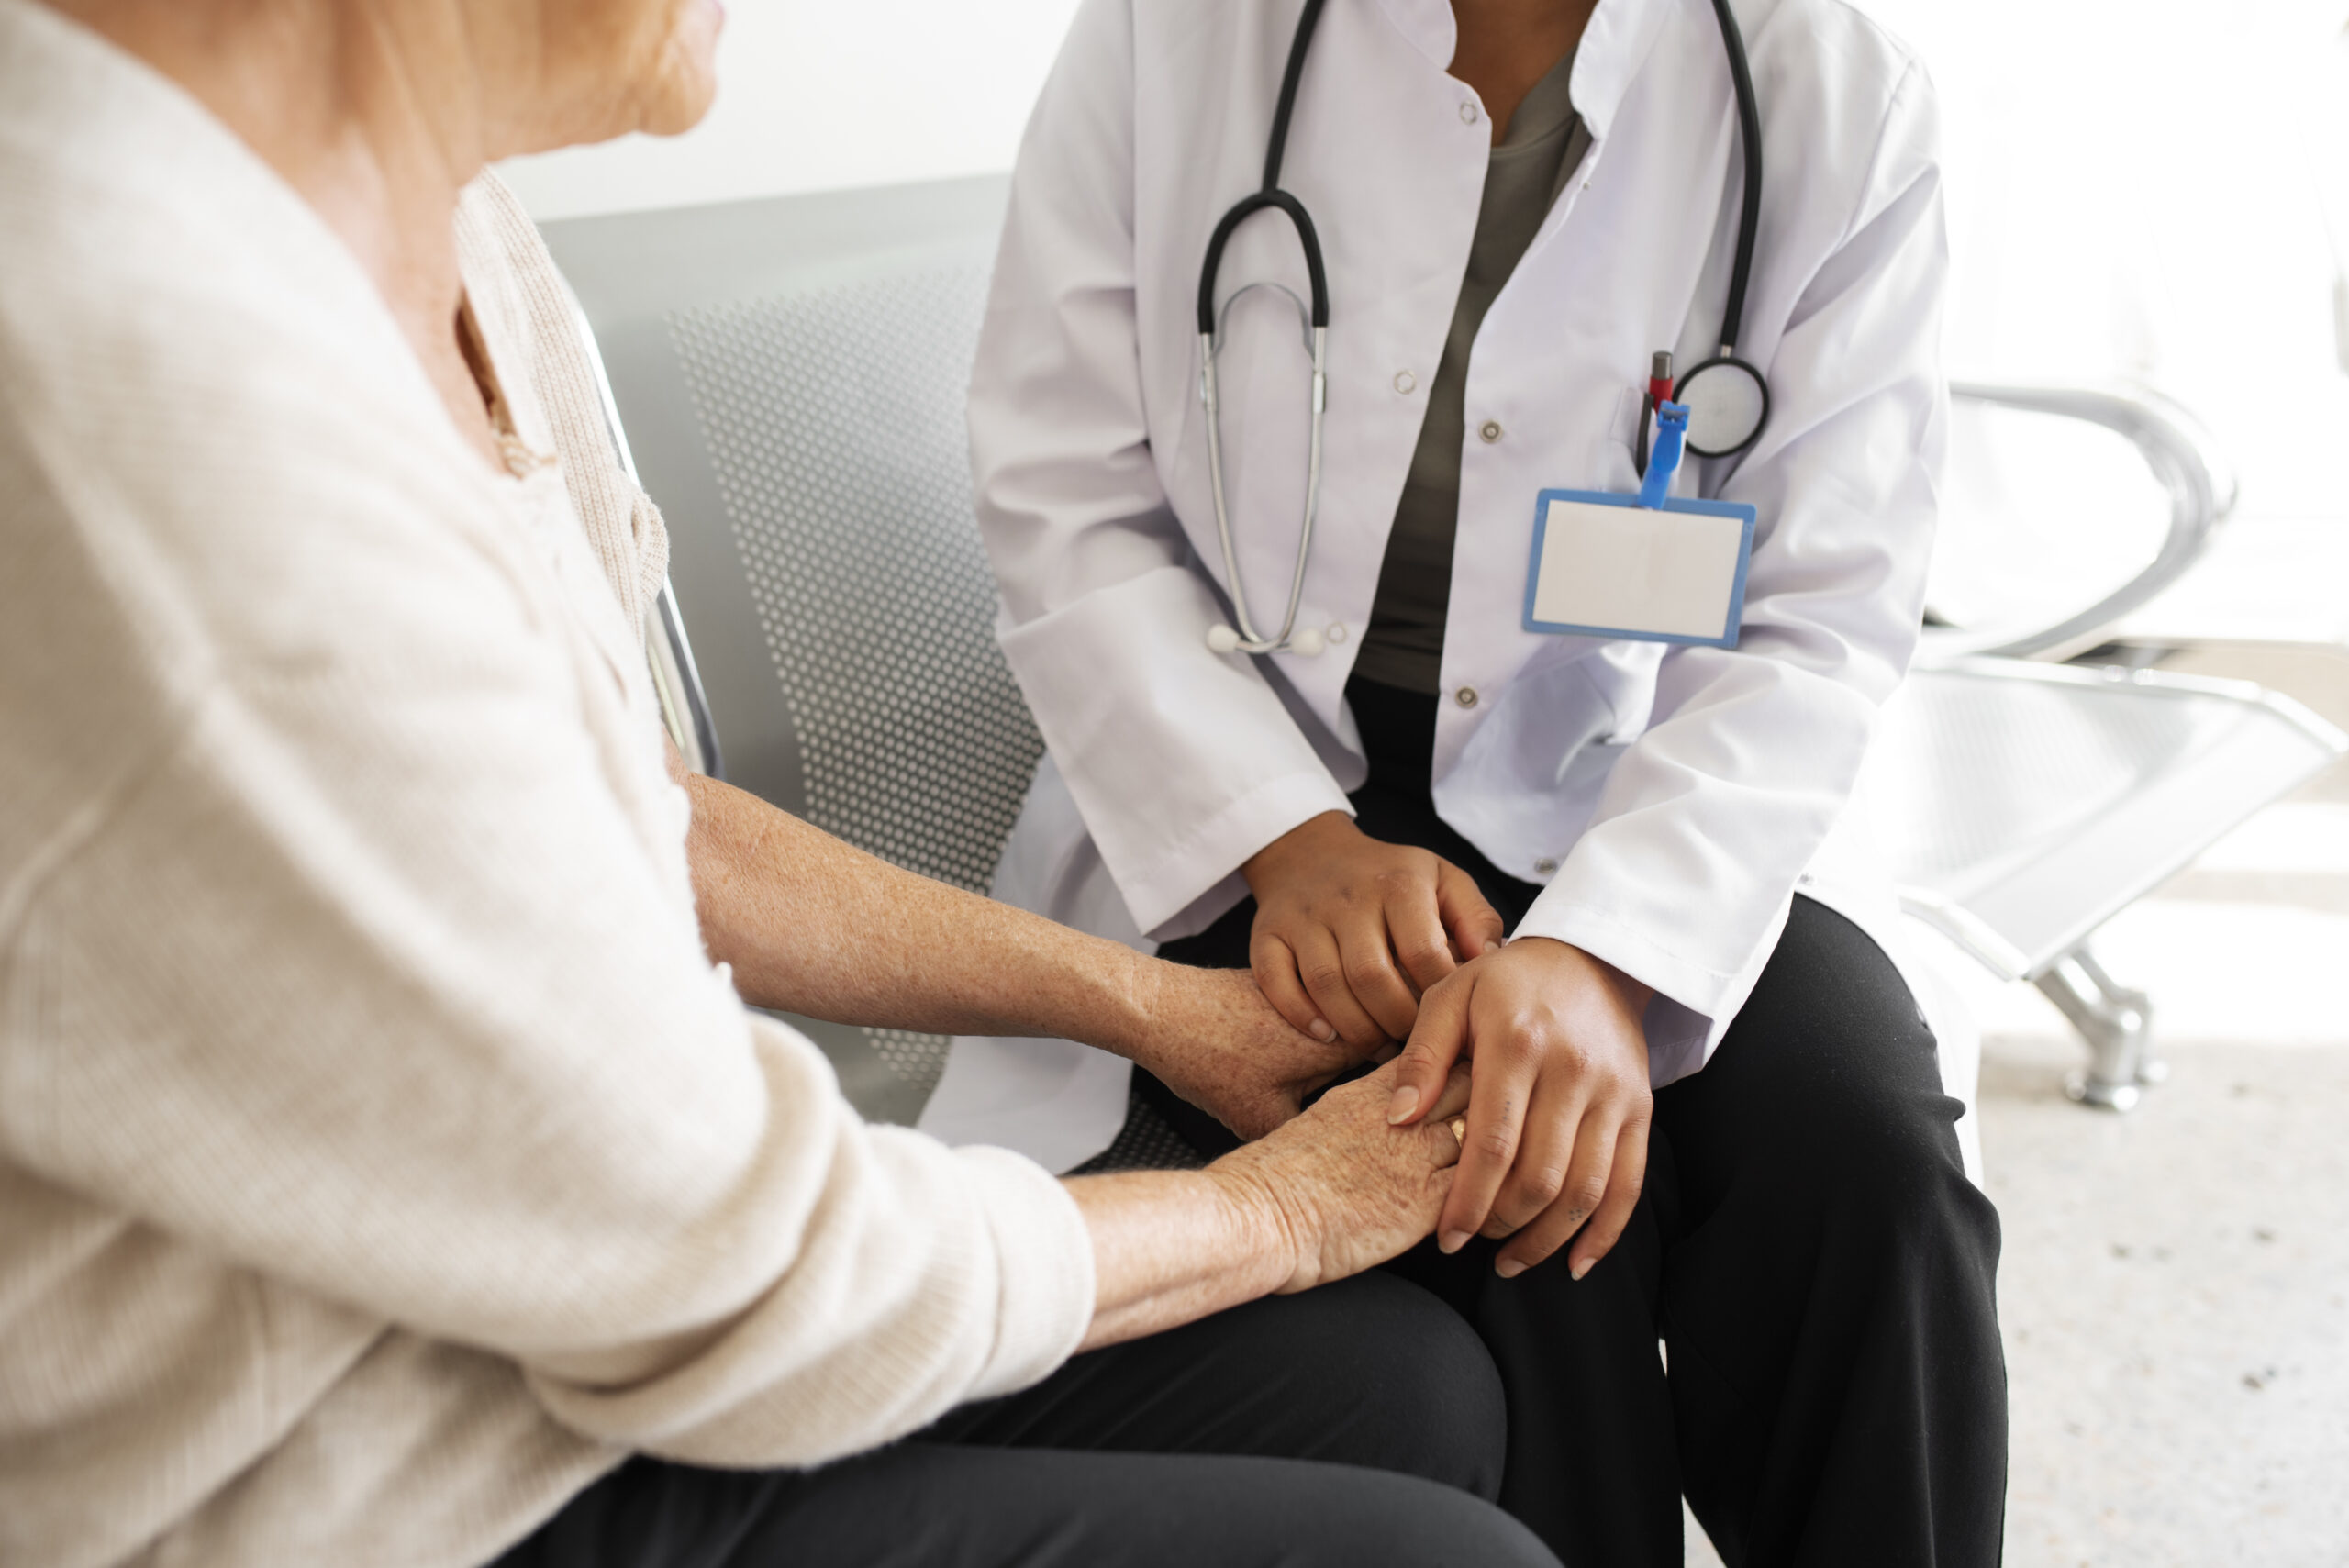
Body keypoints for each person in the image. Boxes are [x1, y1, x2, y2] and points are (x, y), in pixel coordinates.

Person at [0, 3, 1564, 1566]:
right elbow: (735, 1265)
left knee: (1405, 1390)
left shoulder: (450, 222)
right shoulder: (157, 404)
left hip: (531, 1325)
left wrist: (1158, 1010)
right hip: (347, 1484)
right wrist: (1281, 1215)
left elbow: (640, 811)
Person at [952, 0, 2008, 1562]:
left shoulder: (1826, 88)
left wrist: (1602, 955)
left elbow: (1815, 618)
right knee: (1513, 1182)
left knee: (1867, 1157)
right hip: (1255, 778)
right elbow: (1065, 491)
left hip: (1630, 781)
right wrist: (1290, 841)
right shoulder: (1178, 34)